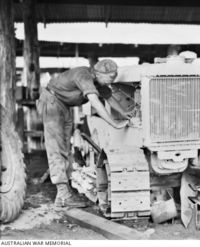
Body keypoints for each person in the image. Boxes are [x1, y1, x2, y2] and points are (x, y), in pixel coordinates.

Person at [37, 59, 133, 208]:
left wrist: (126, 114)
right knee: (55, 148)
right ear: (99, 73)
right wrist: (114, 123)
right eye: (110, 78)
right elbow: (95, 102)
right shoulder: (84, 76)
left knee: (64, 148)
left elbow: (110, 99)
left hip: (64, 105)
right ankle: (63, 194)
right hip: (52, 102)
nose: (111, 81)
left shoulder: (99, 82)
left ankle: (62, 195)